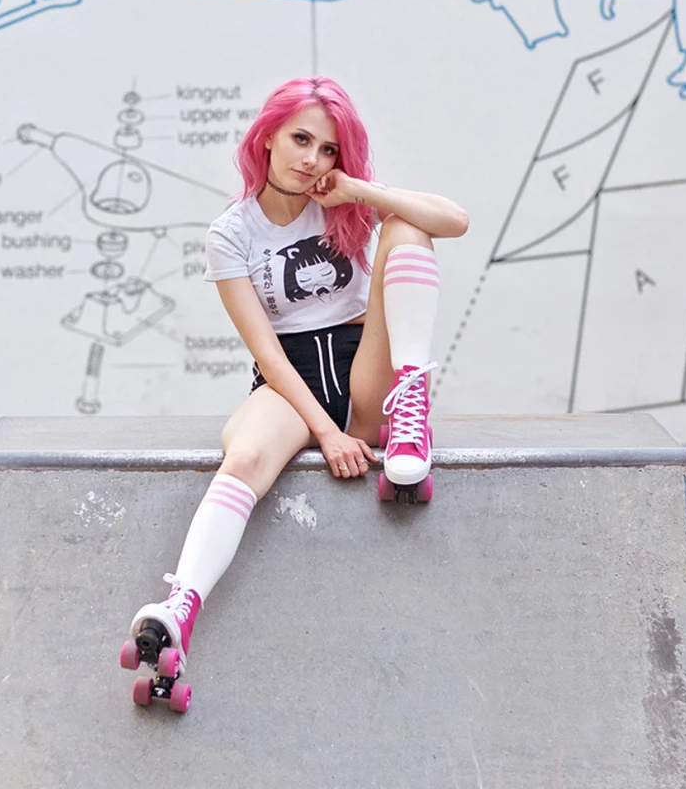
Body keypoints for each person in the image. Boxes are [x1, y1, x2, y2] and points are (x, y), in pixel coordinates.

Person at [127, 75, 469, 682]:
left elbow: (455, 220)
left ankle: (411, 409)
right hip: (289, 377)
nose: (312, 159)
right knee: (247, 454)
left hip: (366, 369)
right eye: (301, 140)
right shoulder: (231, 233)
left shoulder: (345, 200)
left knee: (408, 227)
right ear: (268, 137)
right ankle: (180, 608)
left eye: (329, 149)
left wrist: (359, 190)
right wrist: (326, 433)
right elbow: (268, 354)